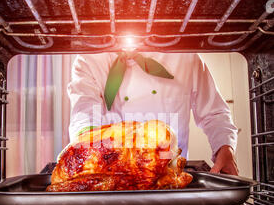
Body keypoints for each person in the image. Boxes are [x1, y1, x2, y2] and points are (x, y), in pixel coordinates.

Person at [67, 51, 239, 175]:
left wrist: (225, 147)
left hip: (169, 177)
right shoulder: (90, 59)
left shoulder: (184, 55)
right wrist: (85, 150)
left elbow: (214, 113)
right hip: (112, 178)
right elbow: (84, 114)